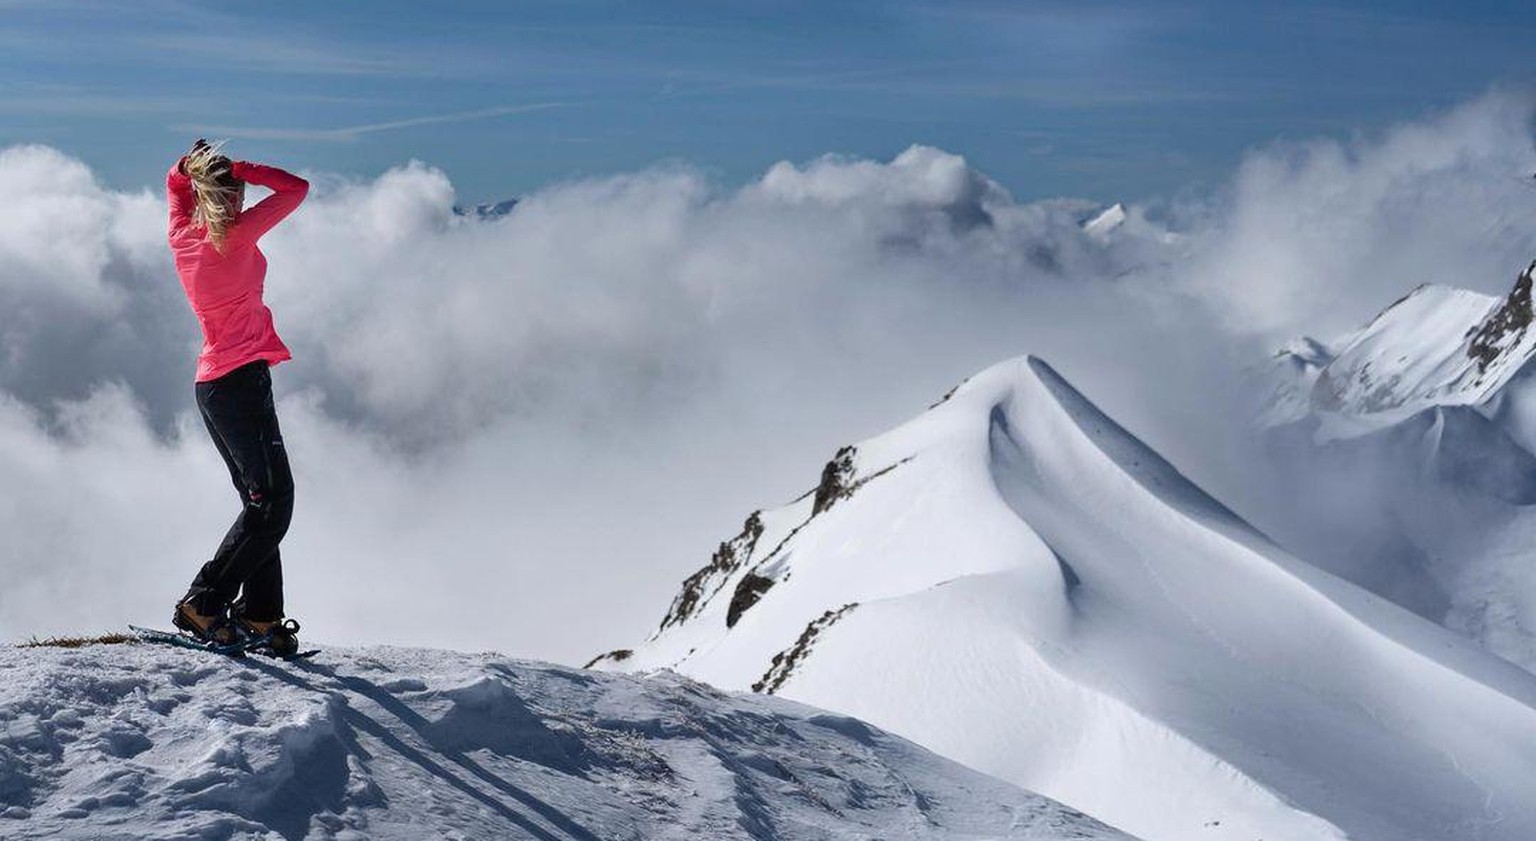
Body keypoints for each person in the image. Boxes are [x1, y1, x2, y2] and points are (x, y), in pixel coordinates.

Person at [165, 139, 308, 655]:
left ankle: (262, 613)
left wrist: (189, 168)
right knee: (272, 504)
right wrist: (241, 166)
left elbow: (174, 186)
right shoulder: (238, 235)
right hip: (239, 385)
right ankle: (205, 601)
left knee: (259, 503)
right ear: (222, 198)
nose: (239, 204)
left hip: (215, 386)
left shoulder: (183, 235)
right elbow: (297, 188)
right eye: (235, 195)